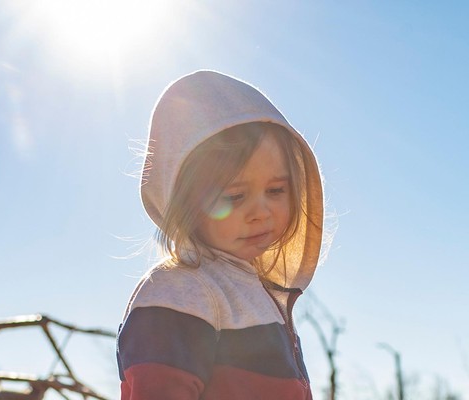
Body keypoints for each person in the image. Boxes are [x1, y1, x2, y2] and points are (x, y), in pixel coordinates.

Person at [116, 70, 326, 400]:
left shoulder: (255, 293)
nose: (261, 212)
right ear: (187, 202)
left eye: (275, 190)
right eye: (234, 196)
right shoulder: (180, 292)